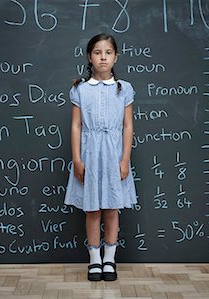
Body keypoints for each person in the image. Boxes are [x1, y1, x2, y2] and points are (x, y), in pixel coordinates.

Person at [64, 33, 137, 282]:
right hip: (90, 154)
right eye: (97, 52)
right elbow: (76, 126)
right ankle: (94, 260)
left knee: (112, 208)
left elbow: (128, 126)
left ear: (116, 56)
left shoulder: (124, 88)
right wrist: (77, 159)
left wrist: (125, 159)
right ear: (89, 57)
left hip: (114, 154)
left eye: (108, 52)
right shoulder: (80, 90)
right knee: (92, 209)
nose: (103, 56)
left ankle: (110, 259)